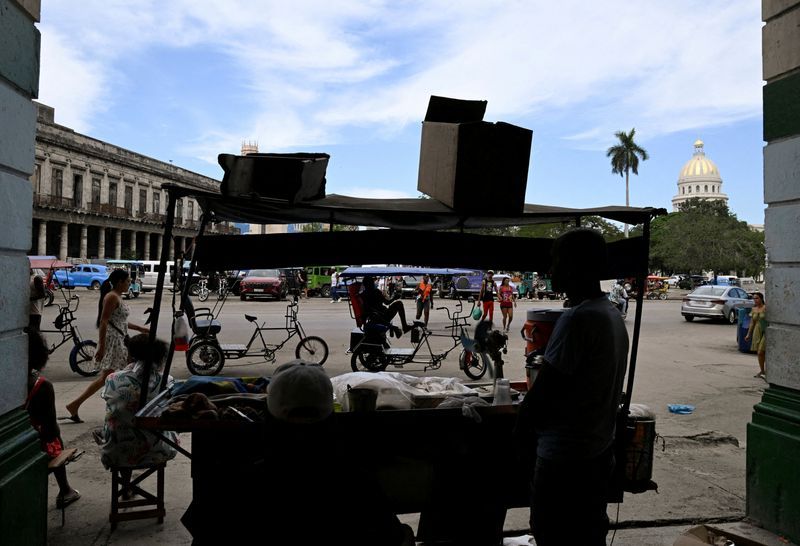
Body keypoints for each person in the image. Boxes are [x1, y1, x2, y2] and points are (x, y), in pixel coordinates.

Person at [514, 229, 628, 546]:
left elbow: (543, 393)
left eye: (557, 261)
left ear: (578, 266)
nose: (552, 270)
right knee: (587, 535)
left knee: (554, 534)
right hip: (597, 451)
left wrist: (520, 434)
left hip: (565, 459)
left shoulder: (578, 319)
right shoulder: (610, 314)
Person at [258, 360, 415, 545]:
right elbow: (392, 535)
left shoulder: (255, 479)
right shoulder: (354, 480)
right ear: (330, 414)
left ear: (270, 413)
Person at [65, 269, 149, 423]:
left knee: (122, 372)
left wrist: (140, 329)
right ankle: (124, 406)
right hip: (113, 341)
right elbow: (104, 321)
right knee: (118, 374)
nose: (129, 284)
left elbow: (120, 321)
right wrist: (102, 347)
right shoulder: (111, 297)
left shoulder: (117, 296)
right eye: (128, 281)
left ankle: (76, 405)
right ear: (119, 282)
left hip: (119, 339)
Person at [97, 334, 177, 482]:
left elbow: (113, 406)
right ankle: (128, 486)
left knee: (116, 424)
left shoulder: (113, 378)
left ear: (131, 354)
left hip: (116, 451)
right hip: (157, 450)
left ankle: (126, 484)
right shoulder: (167, 381)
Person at [26, 330, 81, 509]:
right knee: (55, 437)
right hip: (32, 448)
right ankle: (65, 489)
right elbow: (51, 432)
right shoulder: (41, 386)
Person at [745, 292, 767, 380]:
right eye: (754, 298)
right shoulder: (753, 309)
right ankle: (762, 371)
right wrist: (748, 334)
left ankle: (766, 370)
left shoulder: (765, 308)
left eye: (757, 298)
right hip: (757, 331)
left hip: (765, 331)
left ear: (761, 298)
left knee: (761, 351)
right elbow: (752, 323)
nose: (755, 300)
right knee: (759, 352)